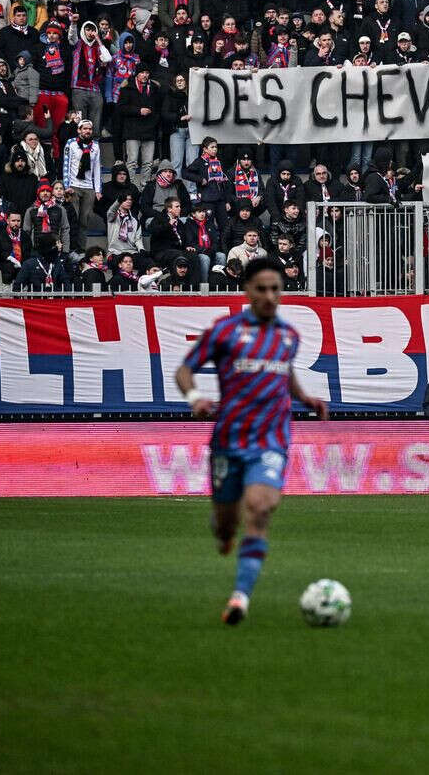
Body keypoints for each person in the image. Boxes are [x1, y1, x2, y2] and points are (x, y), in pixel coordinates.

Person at [174, 258, 328, 626]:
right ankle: (223, 529)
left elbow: (284, 370)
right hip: (229, 439)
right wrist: (194, 398)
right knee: (227, 524)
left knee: (259, 509)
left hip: (272, 438)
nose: (270, 296)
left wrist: (304, 397)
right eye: (262, 289)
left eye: (276, 289)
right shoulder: (224, 332)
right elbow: (184, 369)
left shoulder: (288, 335)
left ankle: (240, 598)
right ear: (246, 290)